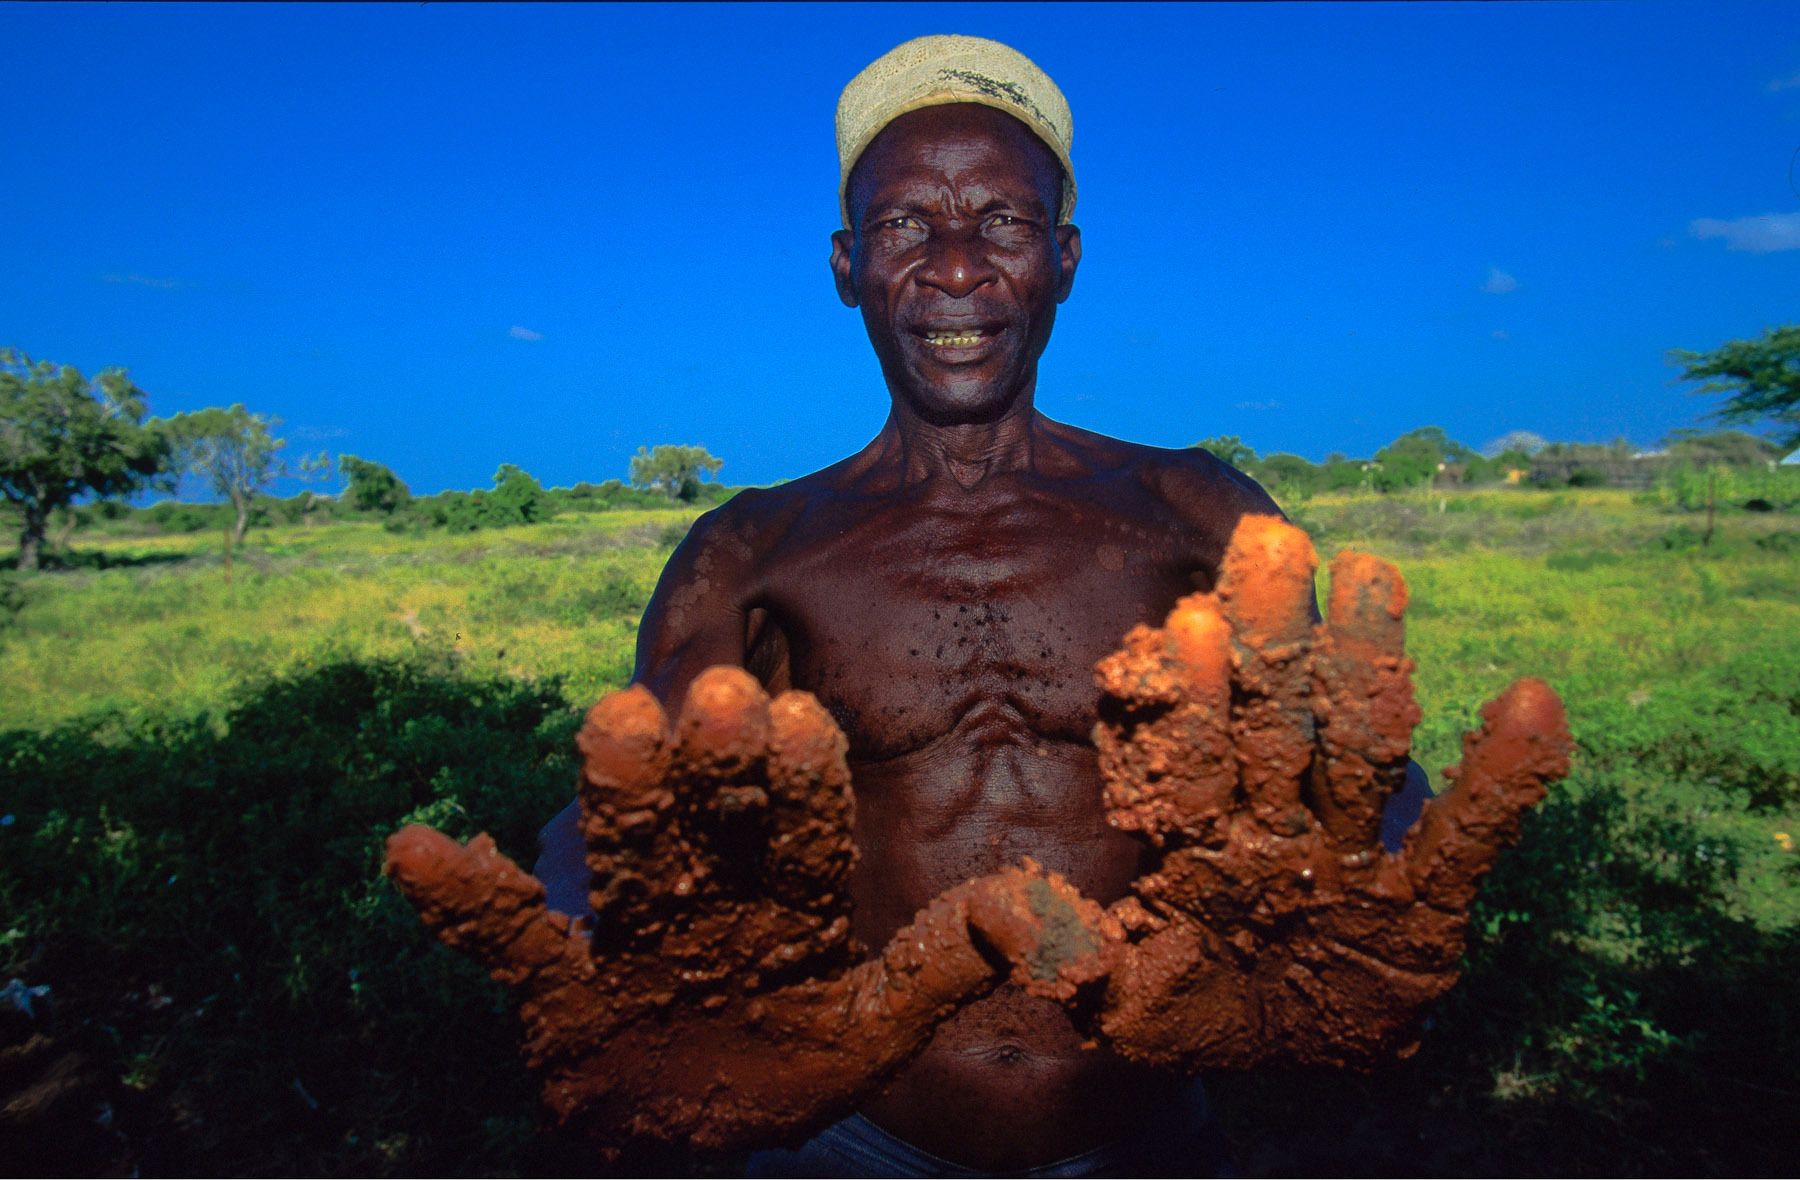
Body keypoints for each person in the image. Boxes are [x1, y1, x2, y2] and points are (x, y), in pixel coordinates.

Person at [387, 34, 1569, 1178]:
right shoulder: (750, 549)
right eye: (907, 223)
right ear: (847, 265)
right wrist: (602, 947)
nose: (957, 266)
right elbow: (626, 810)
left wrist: (1375, 894)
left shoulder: (1188, 507)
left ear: (1064, 257)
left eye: (1003, 220)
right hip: (844, 1133)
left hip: (1142, 1132)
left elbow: (1344, 768)